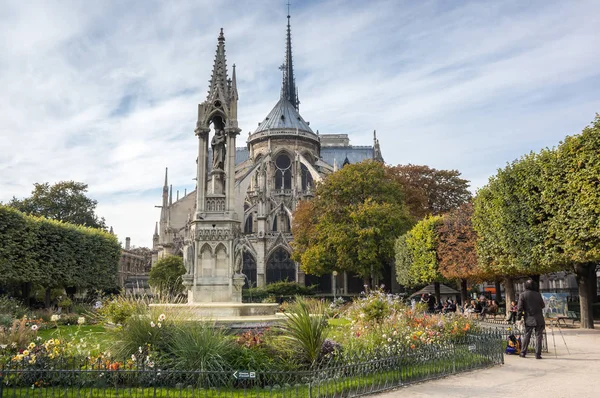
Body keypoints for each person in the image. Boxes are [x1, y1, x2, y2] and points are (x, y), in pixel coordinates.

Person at [517, 279, 546, 359]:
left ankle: (523, 352)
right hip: (539, 318)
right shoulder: (538, 294)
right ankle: (538, 354)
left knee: (527, 335)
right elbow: (543, 305)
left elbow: (519, 308)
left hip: (529, 318)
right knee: (539, 336)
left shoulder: (522, 295)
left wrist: (518, 318)